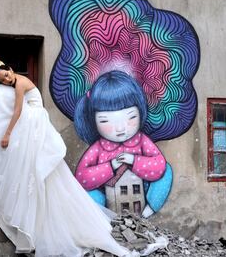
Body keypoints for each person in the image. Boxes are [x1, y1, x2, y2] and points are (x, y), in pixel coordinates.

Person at [0, 60, 132, 257]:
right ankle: (36, 227)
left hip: (34, 125)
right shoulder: (10, 86)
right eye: (2, 80)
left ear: (11, 68)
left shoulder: (21, 82)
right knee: (30, 174)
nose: (6, 80)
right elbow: (5, 98)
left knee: (38, 172)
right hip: (30, 126)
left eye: (6, 75)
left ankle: (47, 229)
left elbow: (18, 111)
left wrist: (7, 134)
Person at [74, 71, 173, 218]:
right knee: (86, 192)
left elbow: (158, 164)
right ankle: (103, 217)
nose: (120, 129)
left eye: (131, 117)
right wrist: (111, 166)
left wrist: (134, 161)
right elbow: (82, 176)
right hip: (105, 194)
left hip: (140, 193)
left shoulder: (141, 140)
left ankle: (147, 212)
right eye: (105, 121)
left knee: (167, 171)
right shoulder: (98, 148)